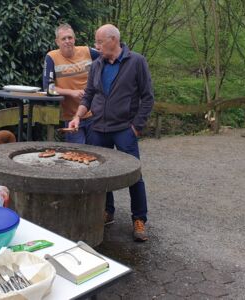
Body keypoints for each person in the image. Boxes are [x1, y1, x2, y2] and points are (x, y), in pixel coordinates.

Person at [68, 24, 154, 242]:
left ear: (113, 40)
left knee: (134, 174)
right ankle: (107, 212)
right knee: (101, 173)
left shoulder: (136, 62)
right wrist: (78, 116)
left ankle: (139, 219)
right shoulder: (97, 65)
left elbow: (147, 97)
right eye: (96, 42)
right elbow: (88, 95)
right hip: (98, 128)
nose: (96, 46)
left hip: (125, 129)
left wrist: (136, 126)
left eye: (99, 42)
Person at [43, 24, 99, 144]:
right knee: (77, 154)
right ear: (57, 42)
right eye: (63, 39)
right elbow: (48, 88)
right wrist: (71, 93)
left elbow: (108, 55)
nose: (67, 41)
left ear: (74, 39)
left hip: (94, 115)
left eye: (70, 38)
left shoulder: (87, 51)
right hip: (71, 118)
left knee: (97, 154)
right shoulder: (51, 57)